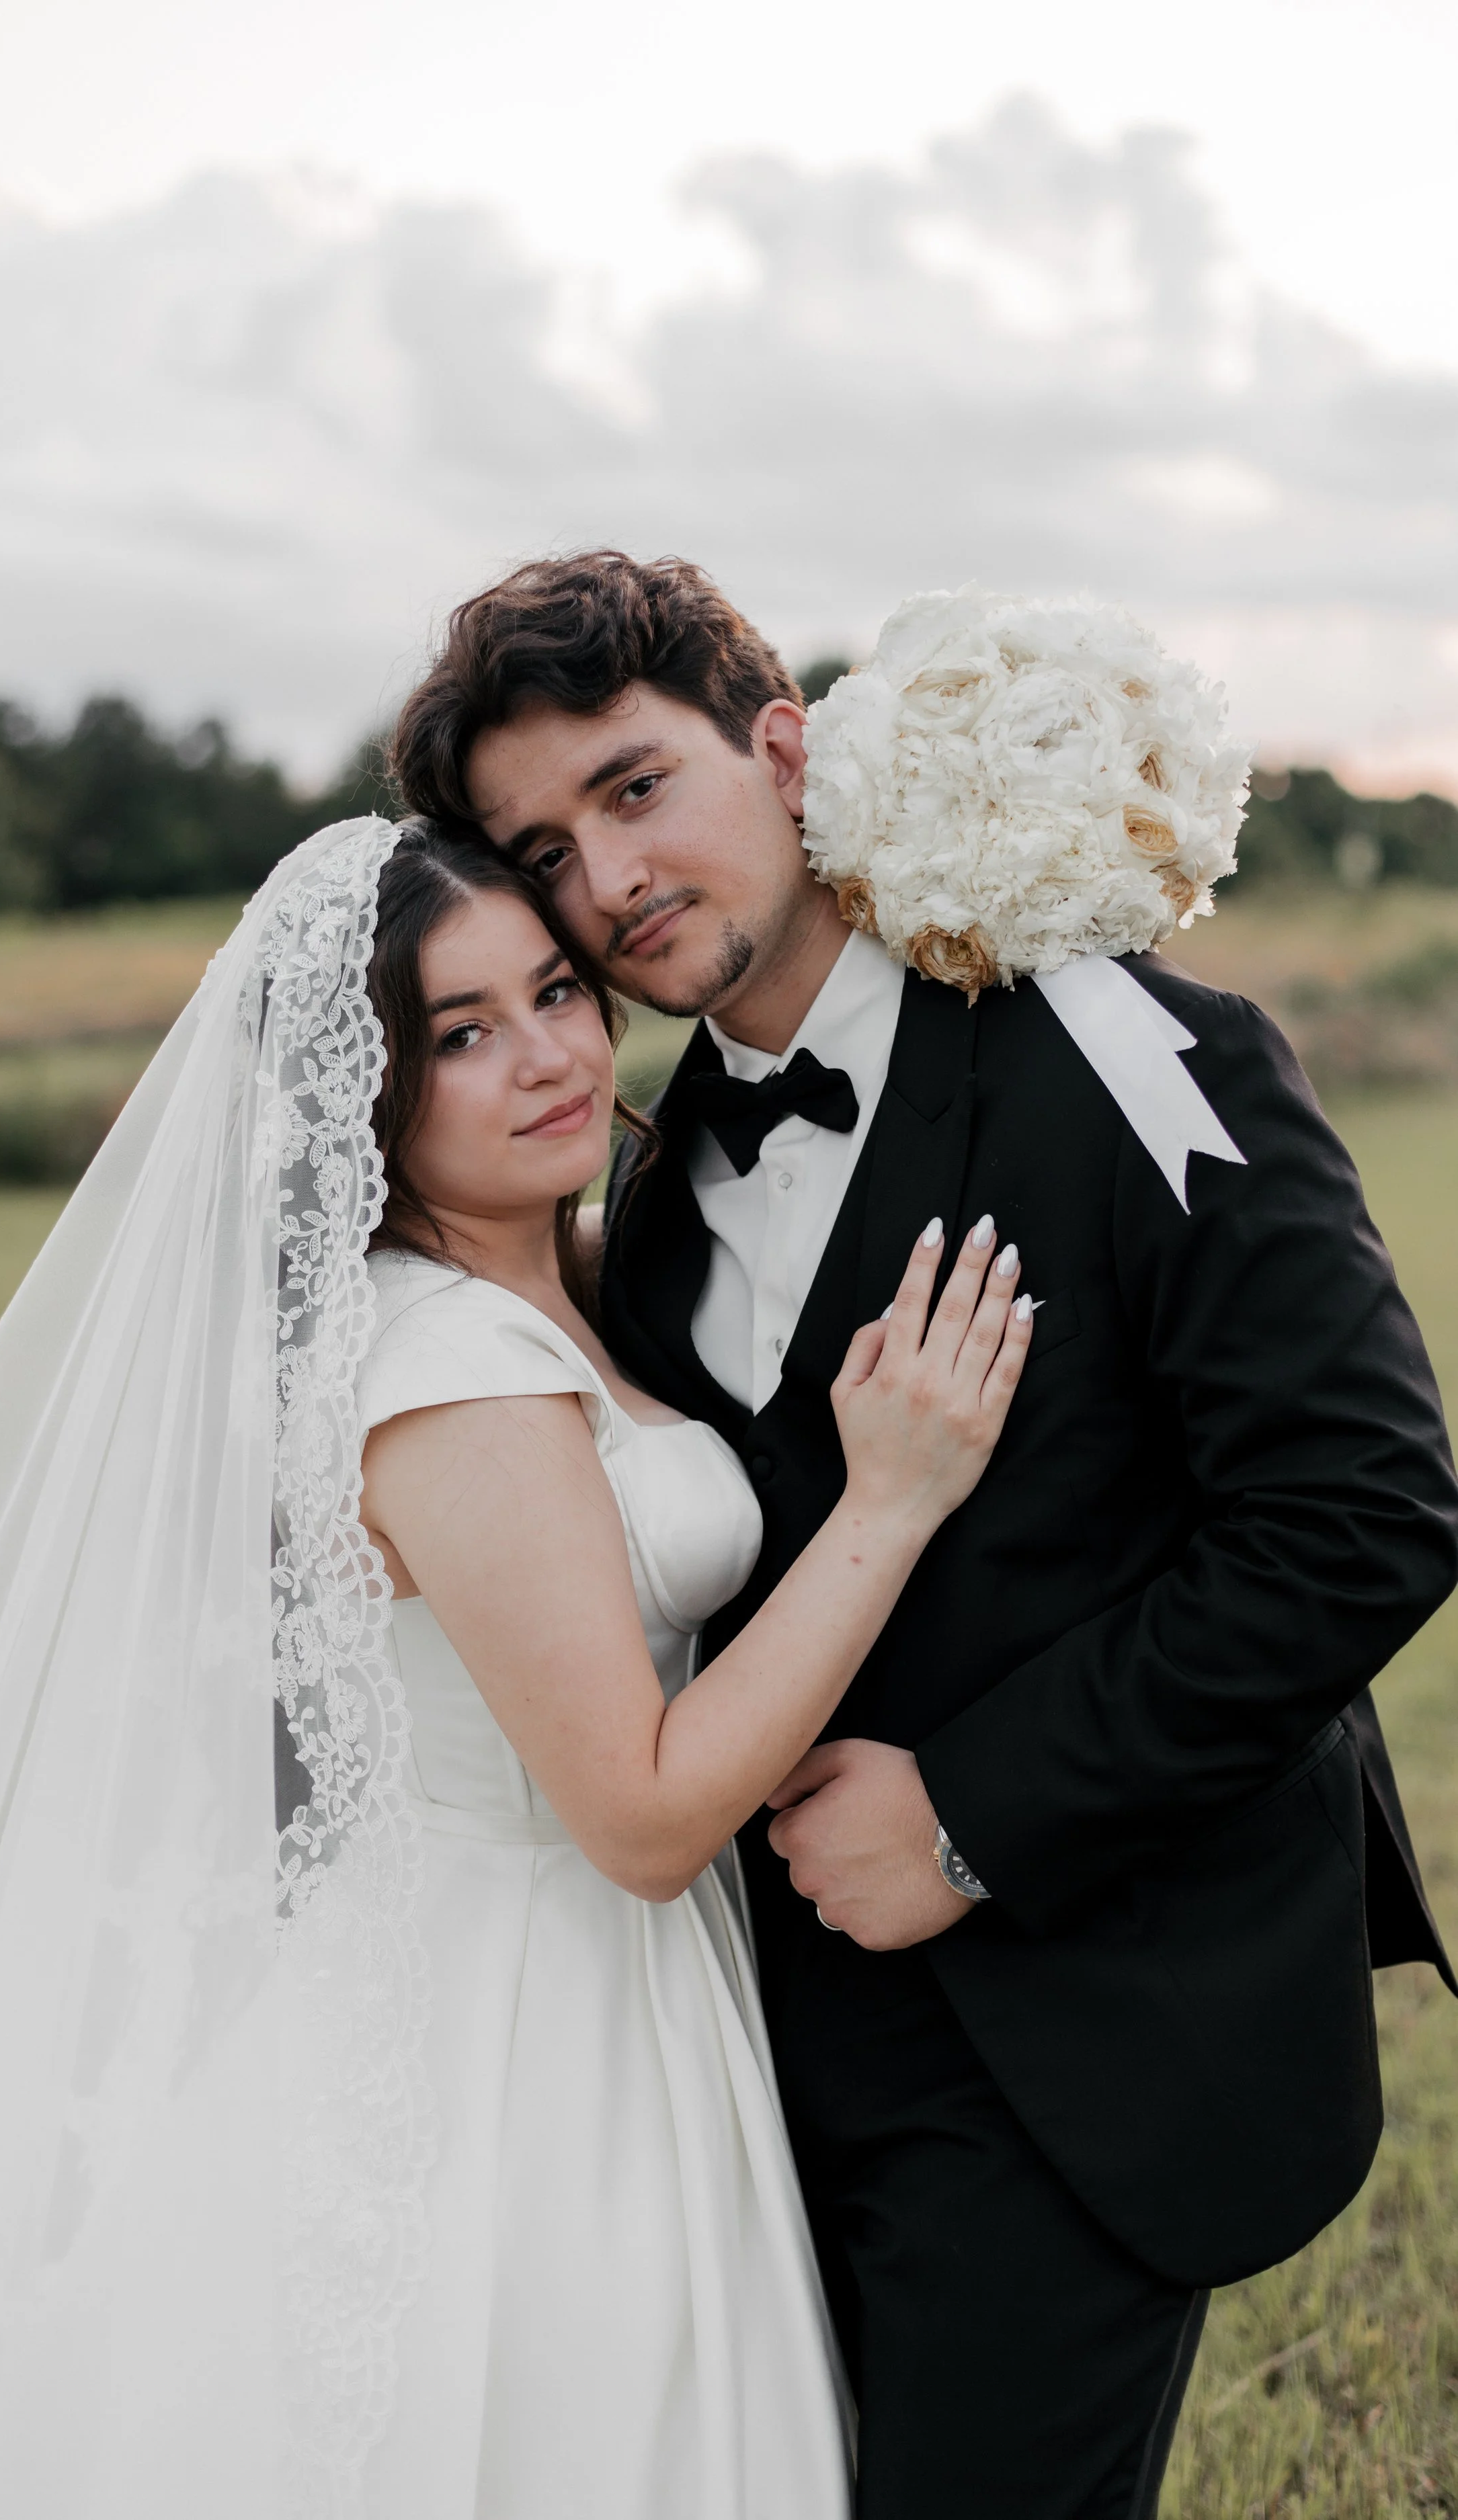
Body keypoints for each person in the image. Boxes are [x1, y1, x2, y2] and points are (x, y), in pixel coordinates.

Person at [0, 812, 1027, 2519]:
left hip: (571, 1972)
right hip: (522, 2008)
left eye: (555, 994)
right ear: (359, 1097)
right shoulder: (450, 1372)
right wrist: (888, 1503)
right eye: (458, 1035)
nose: (547, 1057)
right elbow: (645, 1821)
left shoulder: (566, 1284)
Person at [390, 549, 1458, 2520]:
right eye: (542, 846)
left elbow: (1361, 1515)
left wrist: (969, 1811)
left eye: (637, 788)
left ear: (783, 746)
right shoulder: (643, 1196)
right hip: (746, 2052)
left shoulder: (1137, 1061)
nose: (605, 878)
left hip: (1080, 2012)